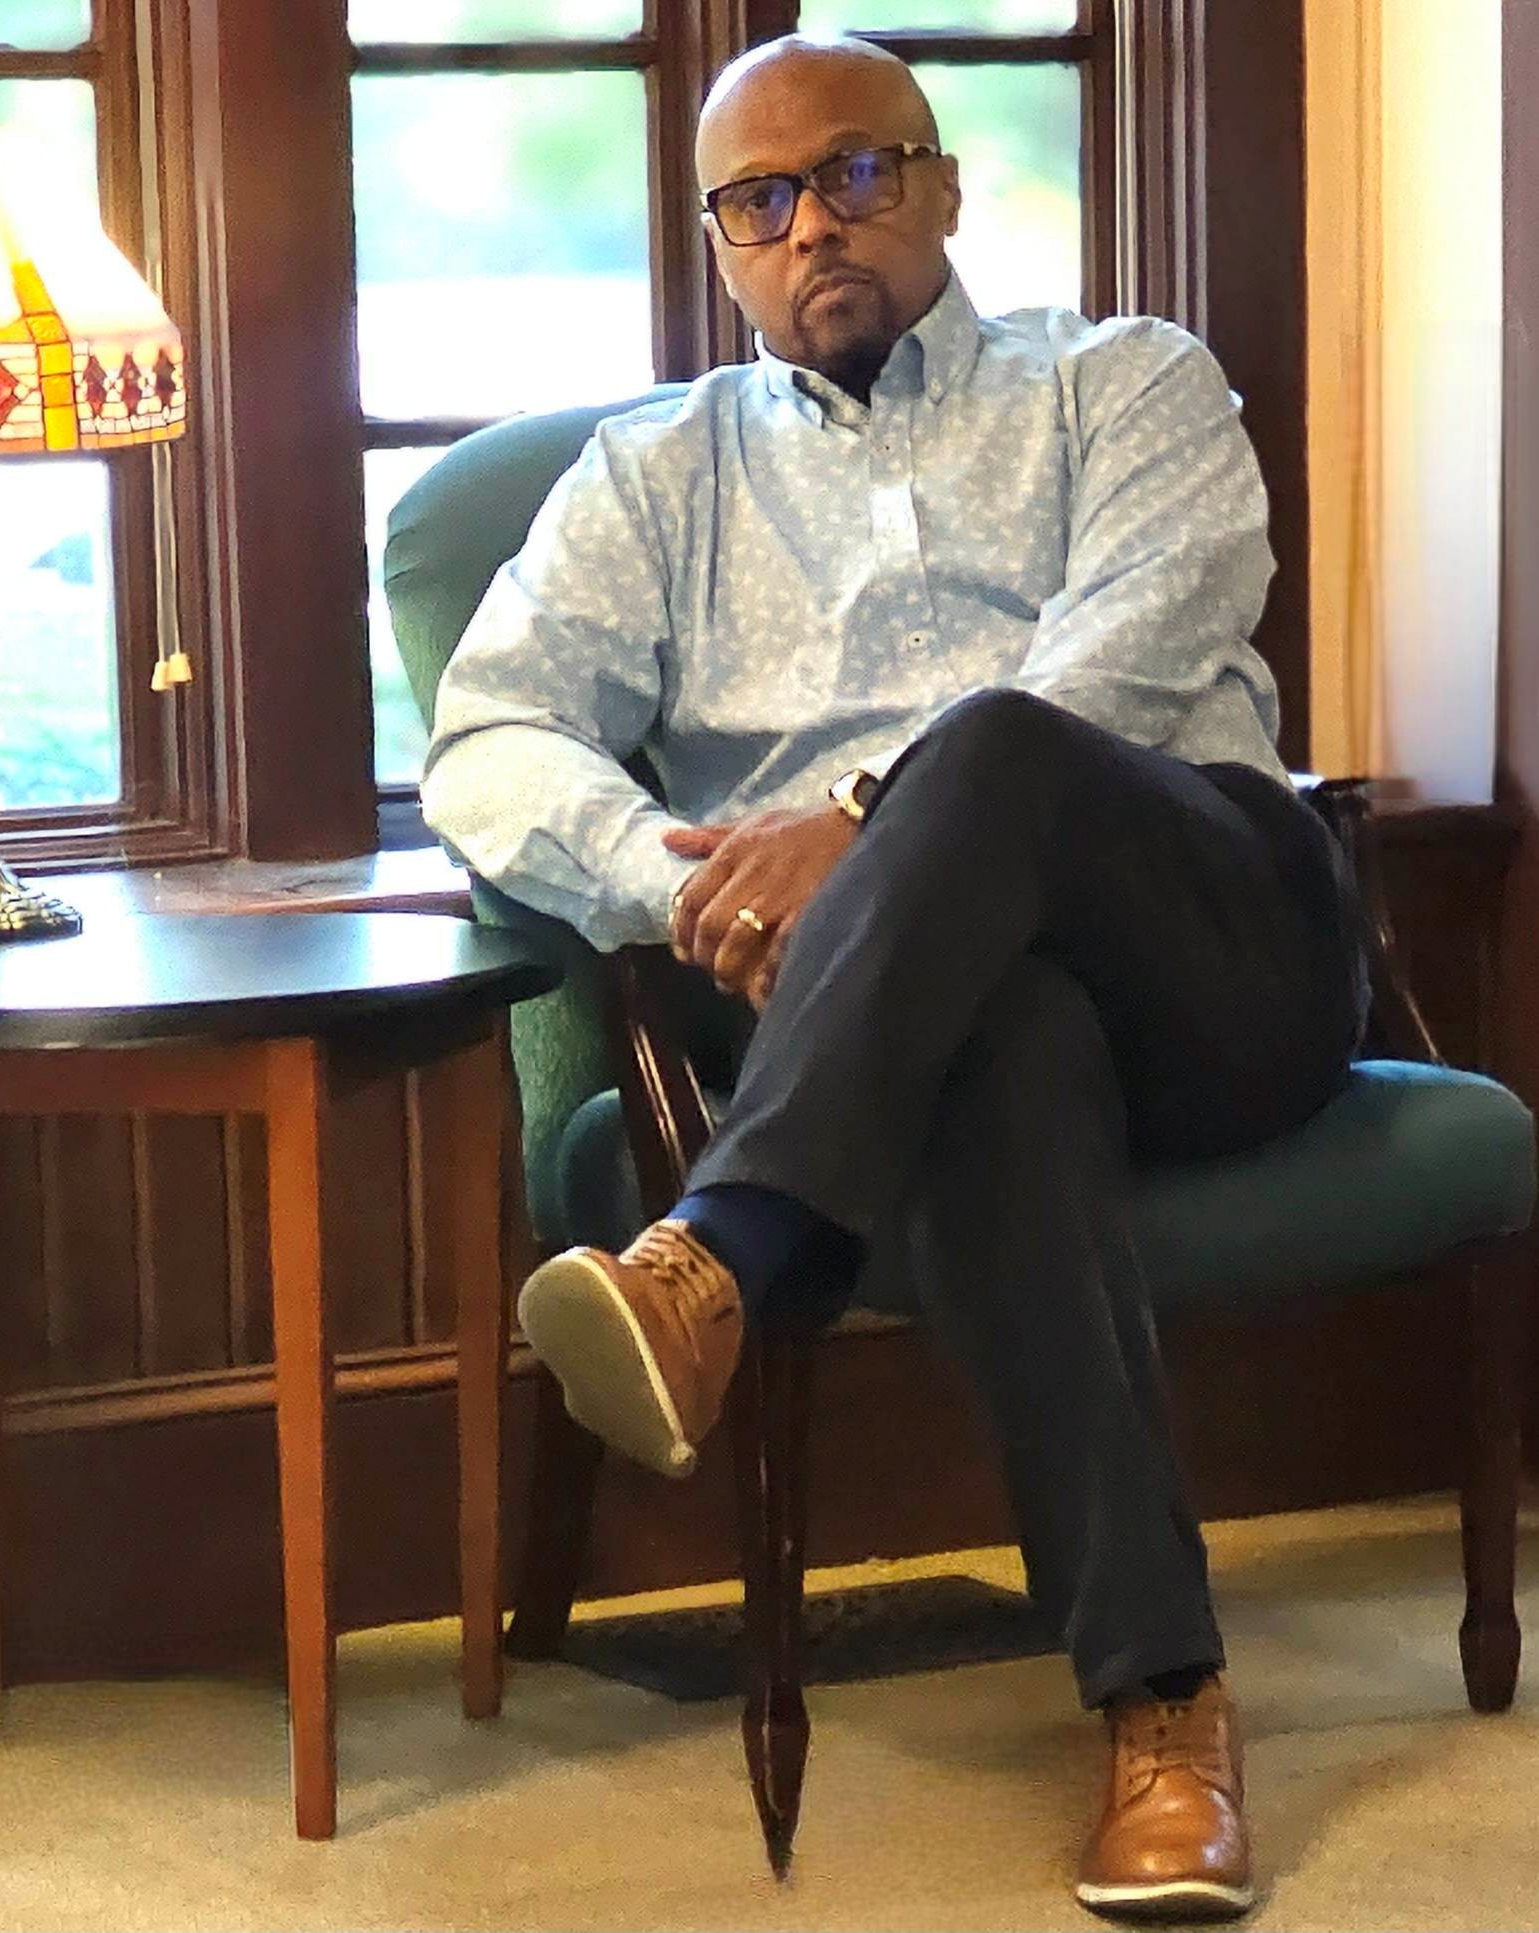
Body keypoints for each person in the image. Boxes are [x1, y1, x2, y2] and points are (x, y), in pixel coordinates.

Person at [422, 31, 1368, 1923]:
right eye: (759, 201)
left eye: (854, 174)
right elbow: (487, 737)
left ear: (940, 186)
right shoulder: (652, 475)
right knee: (997, 1037)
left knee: (1001, 748)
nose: (812, 228)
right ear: (721, 246)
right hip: (889, 1010)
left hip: (1214, 948)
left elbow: (1136, 643)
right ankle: (1163, 1705)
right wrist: (680, 879)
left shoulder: (1130, 383)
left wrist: (858, 823)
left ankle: (726, 1255)